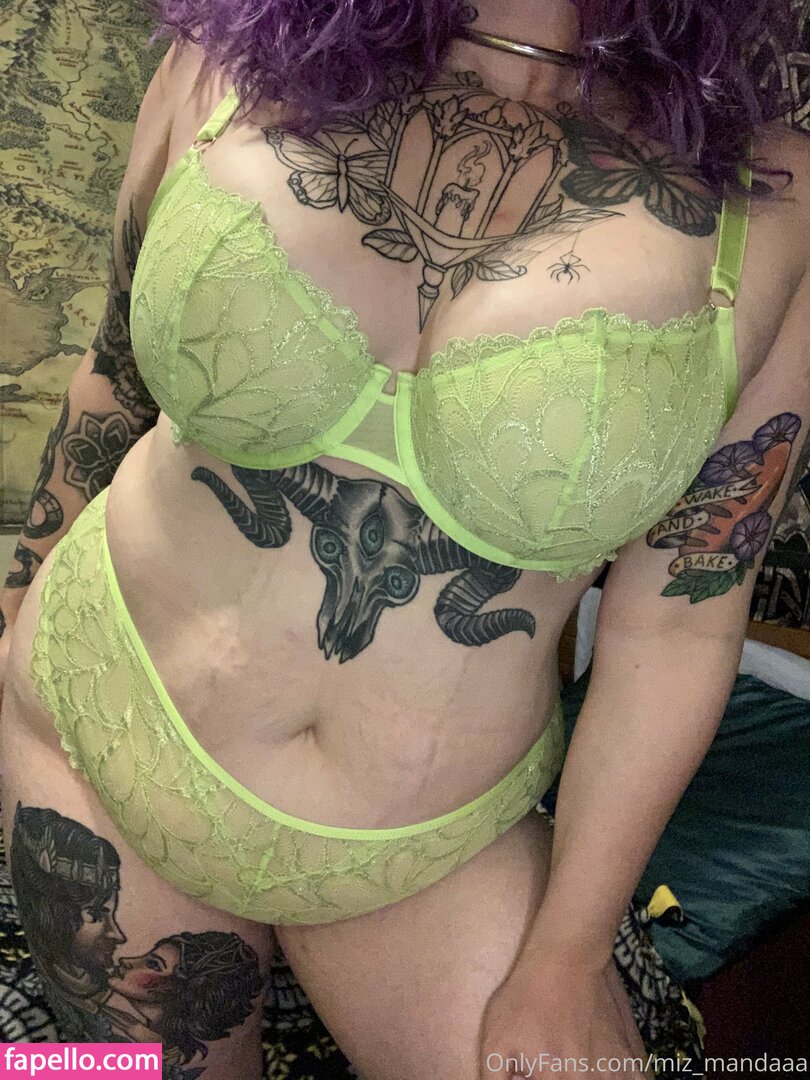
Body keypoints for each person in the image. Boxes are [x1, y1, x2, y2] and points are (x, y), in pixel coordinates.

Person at [0, 0, 808, 1076]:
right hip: (92, 717)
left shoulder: (771, 194)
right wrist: (10, 630)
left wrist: (568, 957)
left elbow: (681, 626)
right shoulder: (230, 54)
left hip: (432, 843)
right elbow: (112, 379)